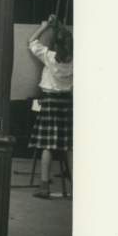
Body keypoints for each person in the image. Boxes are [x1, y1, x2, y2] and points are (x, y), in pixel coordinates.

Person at [28, 14, 73, 199]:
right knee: (69, 146)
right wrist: (60, 27)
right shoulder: (76, 60)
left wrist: (44, 26)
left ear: (54, 44)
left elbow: (31, 41)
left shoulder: (49, 56)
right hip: (67, 103)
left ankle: (44, 186)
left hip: (49, 102)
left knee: (47, 145)